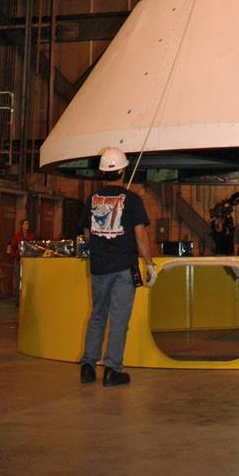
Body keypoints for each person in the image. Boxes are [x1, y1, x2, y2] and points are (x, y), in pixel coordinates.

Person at [79, 148, 155, 387]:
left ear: (101, 171)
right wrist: (149, 263)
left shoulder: (92, 200)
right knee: (119, 319)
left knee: (98, 316)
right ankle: (112, 369)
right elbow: (140, 235)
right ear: (123, 170)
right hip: (124, 267)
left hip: (99, 267)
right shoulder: (132, 200)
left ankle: (88, 367)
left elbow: (87, 234)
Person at [6, 217, 35, 303]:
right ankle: (18, 300)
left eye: (28, 224)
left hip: (28, 260)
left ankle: (27, 298)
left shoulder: (31, 236)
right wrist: (14, 255)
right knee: (18, 279)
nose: (27, 225)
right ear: (22, 226)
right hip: (18, 260)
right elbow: (12, 245)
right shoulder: (18, 236)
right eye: (25, 224)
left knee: (27, 279)